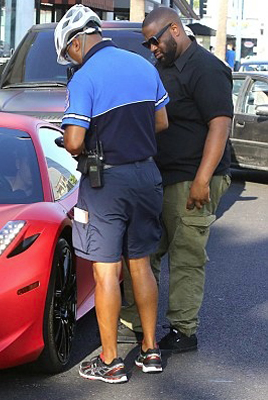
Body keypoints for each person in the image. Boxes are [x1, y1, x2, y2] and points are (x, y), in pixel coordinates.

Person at [54, 4, 169, 383]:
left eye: (68, 51)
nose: (71, 57)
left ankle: (110, 360)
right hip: (147, 174)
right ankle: (151, 351)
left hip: (107, 183)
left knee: (107, 273)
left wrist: (82, 143)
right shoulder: (142, 65)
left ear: (76, 42)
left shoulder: (84, 78)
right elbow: (161, 121)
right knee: (141, 264)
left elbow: (73, 141)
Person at [119, 7, 233, 354]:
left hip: (192, 178)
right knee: (143, 252)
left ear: (175, 29)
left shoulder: (206, 67)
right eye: (147, 44)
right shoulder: (162, 69)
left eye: (154, 41)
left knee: (185, 257)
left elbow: (219, 124)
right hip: (160, 177)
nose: (151, 48)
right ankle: (136, 324)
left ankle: (184, 331)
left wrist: (202, 179)